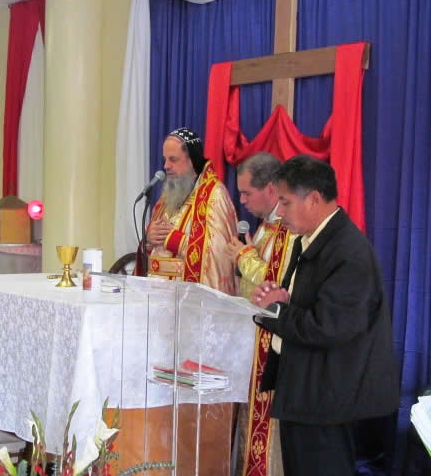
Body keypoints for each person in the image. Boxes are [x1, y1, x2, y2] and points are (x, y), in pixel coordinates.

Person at [251, 155, 399, 476]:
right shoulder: (312, 240)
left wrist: (274, 310)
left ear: (314, 200)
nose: (279, 212)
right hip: (307, 394)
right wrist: (282, 299)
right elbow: (308, 305)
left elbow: (328, 327)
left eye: (286, 202)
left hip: (328, 404)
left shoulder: (348, 252)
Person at [226, 152, 296, 476]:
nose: (242, 201)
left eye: (246, 193)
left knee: (268, 430)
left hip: (273, 340)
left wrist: (244, 257)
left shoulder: (287, 228)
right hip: (253, 337)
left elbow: (275, 282)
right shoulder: (267, 226)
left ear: (270, 188)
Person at [137, 127, 238, 294]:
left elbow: (219, 258)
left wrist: (174, 239)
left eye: (173, 159)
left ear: (192, 159)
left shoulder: (215, 195)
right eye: (165, 160)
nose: (166, 166)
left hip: (188, 299)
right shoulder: (168, 196)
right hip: (156, 296)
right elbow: (152, 253)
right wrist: (148, 239)